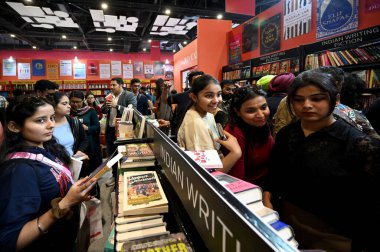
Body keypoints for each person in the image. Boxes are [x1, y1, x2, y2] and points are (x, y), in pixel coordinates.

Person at [263, 70, 380, 251]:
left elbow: (370, 205)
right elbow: (275, 173)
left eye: (317, 98)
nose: (307, 105)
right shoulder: (287, 134)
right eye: (298, 99)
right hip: (284, 223)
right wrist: (268, 198)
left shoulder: (359, 145)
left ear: (336, 99)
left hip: (335, 235)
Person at [0, 95, 97, 251]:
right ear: (14, 126)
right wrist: (64, 204)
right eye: (40, 120)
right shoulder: (19, 170)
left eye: (52, 118)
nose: (51, 125)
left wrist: (75, 192)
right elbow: (10, 240)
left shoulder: (47, 147)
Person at [177, 74, 242, 171]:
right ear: (194, 97)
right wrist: (235, 152)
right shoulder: (196, 123)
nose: (216, 100)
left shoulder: (207, 113)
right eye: (209, 96)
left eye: (219, 94)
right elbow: (206, 173)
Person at [224, 87, 274, 186]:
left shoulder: (262, 125)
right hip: (249, 189)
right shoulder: (235, 133)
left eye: (263, 107)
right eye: (251, 111)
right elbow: (237, 178)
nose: (260, 115)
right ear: (237, 112)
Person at [101, 78, 137, 157]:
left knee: (123, 154)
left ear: (121, 85)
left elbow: (133, 111)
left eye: (114, 85)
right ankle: (114, 169)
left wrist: (117, 106)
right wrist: (106, 106)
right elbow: (103, 110)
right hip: (110, 130)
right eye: (111, 85)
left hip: (123, 130)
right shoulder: (110, 95)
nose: (112, 87)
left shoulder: (129, 95)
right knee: (111, 154)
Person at [70, 91, 102, 174]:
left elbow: (97, 127)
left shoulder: (90, 111)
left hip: (90, 143)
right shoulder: (68, 112)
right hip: (75, 144)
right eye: (73, 102)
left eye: (78, 102)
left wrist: (87, 128)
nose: (75, 105)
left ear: (83, 100)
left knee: (90, 168)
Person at [52, 92, 88, 158]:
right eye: (64, 104)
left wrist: (79, 151)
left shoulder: (74, 121)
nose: (69, 106)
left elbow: (84, 140)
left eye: (68, 103)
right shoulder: (47, 125)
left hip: (72, 163)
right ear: (54, 105)